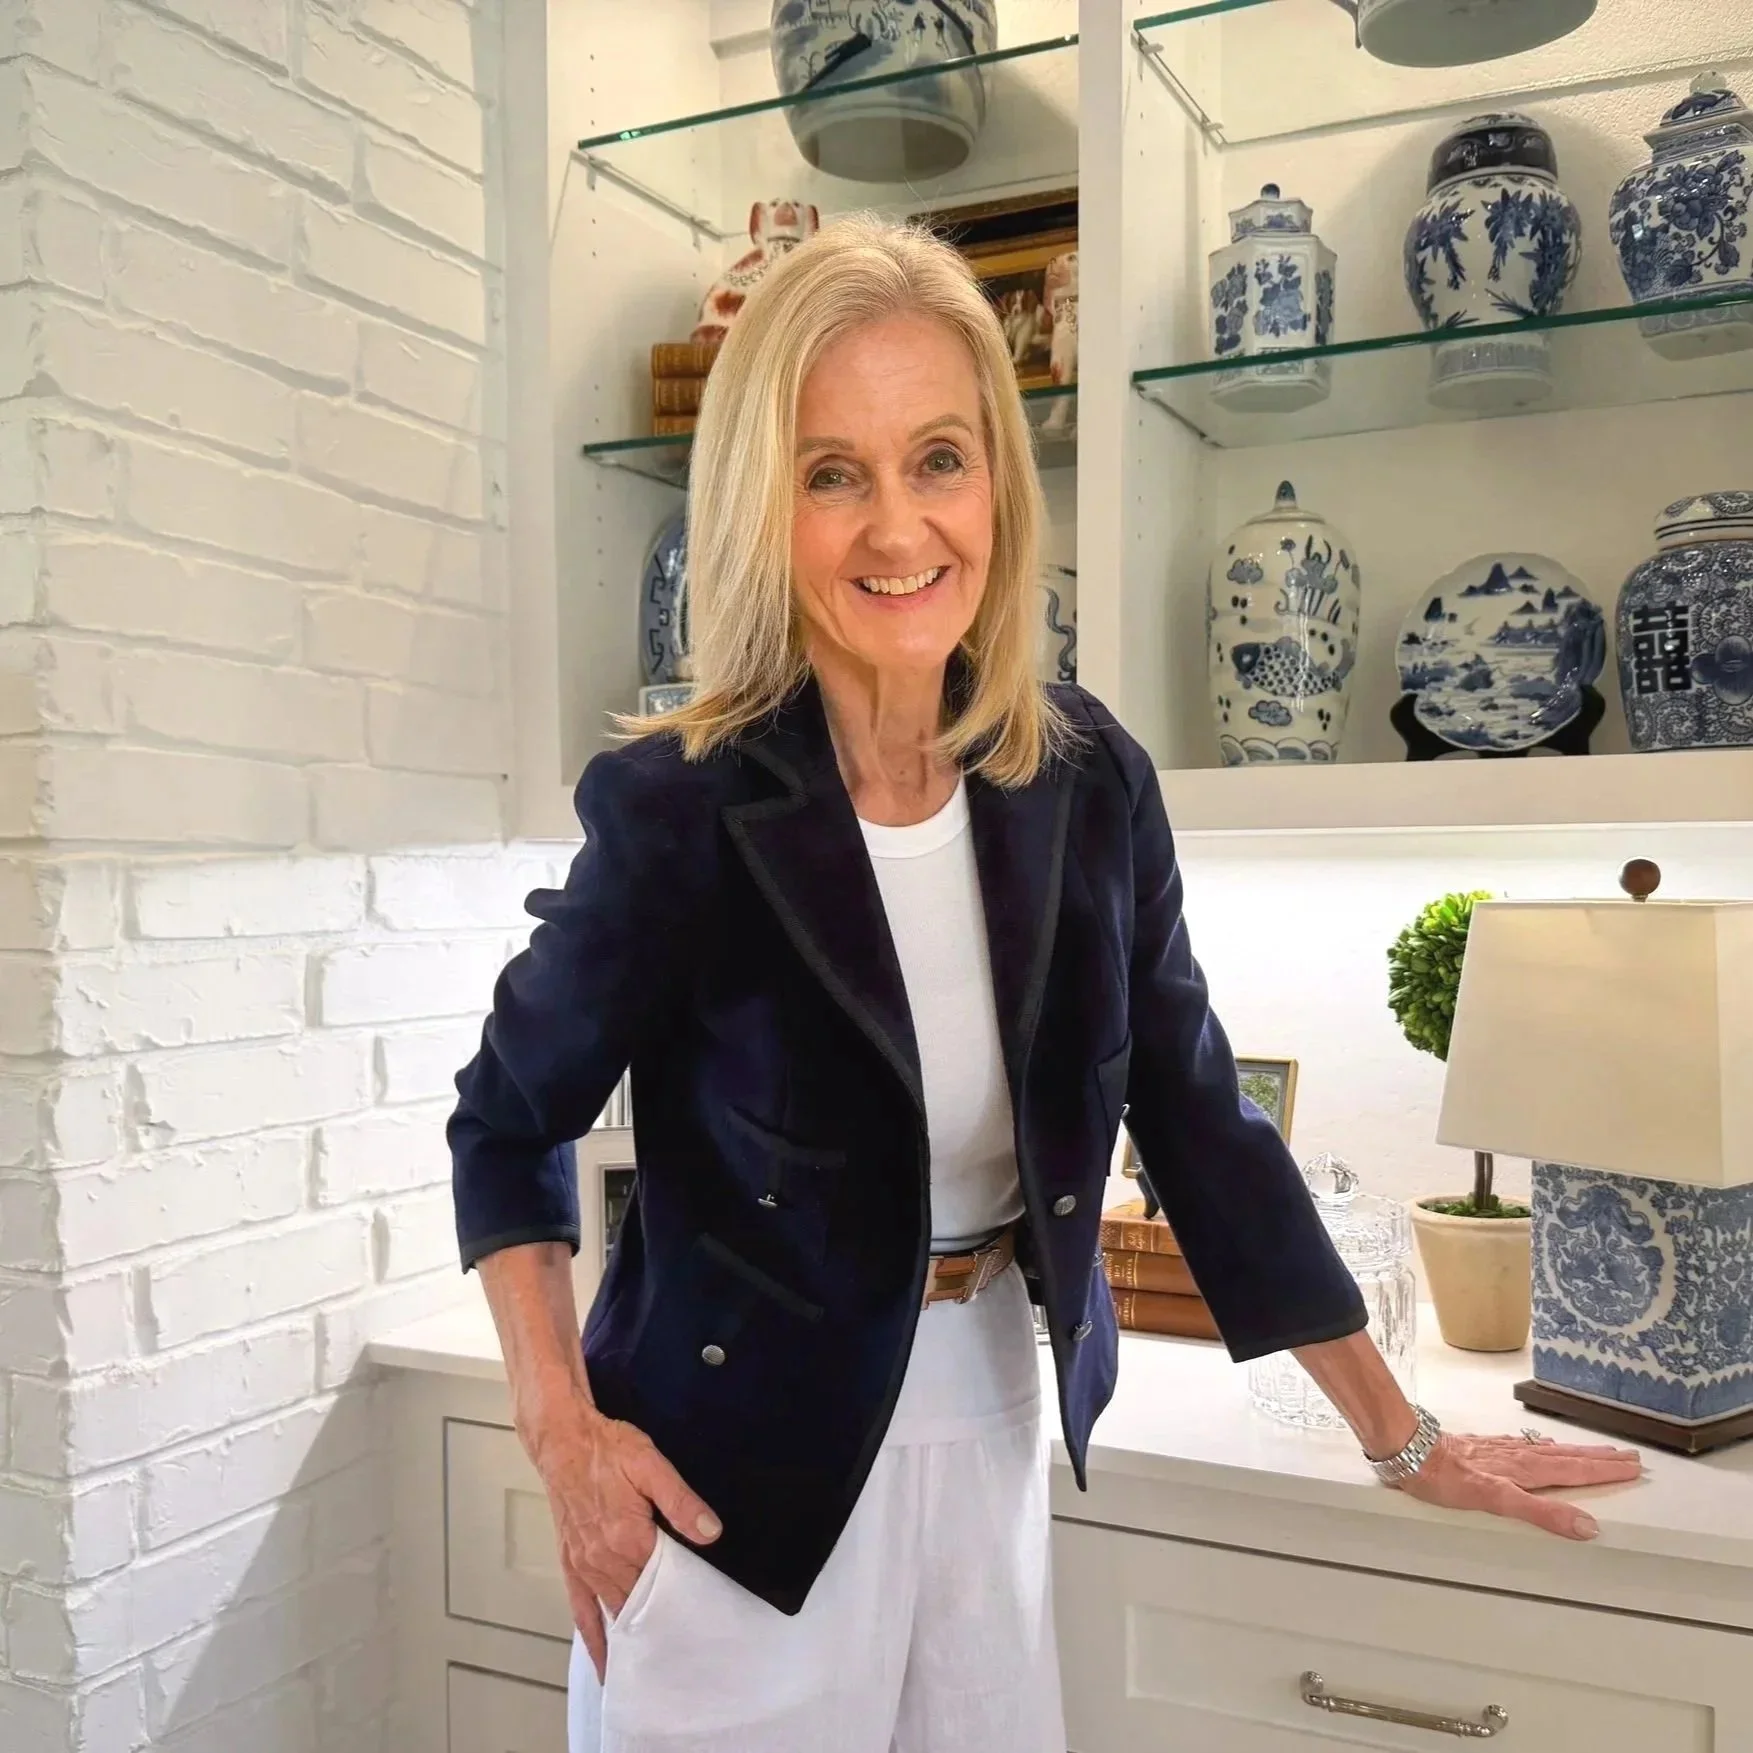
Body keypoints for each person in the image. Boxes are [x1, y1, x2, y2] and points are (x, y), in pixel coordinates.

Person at [448, 216, 1642, 1753]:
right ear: (763, 504)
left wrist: (1403, 1442)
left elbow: (1202, 1126)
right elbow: (504, 1121)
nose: (898, 529)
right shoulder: (676, 807)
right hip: (720, 1479)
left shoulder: (1084, 781)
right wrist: (561, 1434)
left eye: (938, 459)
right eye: (832, 473)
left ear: (1000, 486)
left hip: (992, 1415)